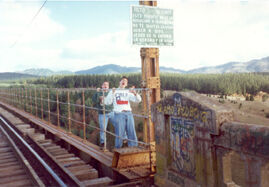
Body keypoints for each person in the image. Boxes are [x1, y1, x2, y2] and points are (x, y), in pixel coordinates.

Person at [104, 76, 141, 149]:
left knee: (131, 132)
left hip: (129, 114)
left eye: (126, 81)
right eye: (122, 80)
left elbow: (138, 100)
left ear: (126, 84)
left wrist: (135, 93)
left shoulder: (127, 91)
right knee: (119, 134)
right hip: (119, 114)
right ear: (119, 82)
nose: (124, 81)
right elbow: (107, 102)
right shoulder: (114, 91)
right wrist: (112, 93)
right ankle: (118, 149)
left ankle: (133, 149)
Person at [92, 81, 114, 149]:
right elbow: (94, 101)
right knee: (103, 129)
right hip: (102, 114)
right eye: (104, 85)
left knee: (119, 124)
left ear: (108, 86)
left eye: (107, 85)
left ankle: (124, 137)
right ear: (102, 86)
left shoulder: (111, 92)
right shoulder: (98, 92)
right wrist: (97, 93)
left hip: (111, 112)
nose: (105, 86)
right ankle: (103, 143)